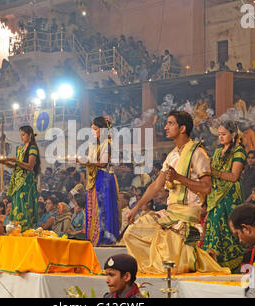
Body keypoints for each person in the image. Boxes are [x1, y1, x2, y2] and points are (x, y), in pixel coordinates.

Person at [123, 111, 229, 275]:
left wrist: (179, 177)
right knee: (132, 233)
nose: (165, 127)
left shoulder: (197, 153)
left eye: (170, 123)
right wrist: (135, 209)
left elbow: (206, 188)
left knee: (168, 265)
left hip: (187, 215)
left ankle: (200, 260)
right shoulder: (172, 155)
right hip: (170, 213)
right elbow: (155, 186)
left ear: (182, 128)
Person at [203, 120, 247, 273]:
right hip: (215, 196)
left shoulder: (238, 151)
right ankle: (214, 265)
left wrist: (215, 173)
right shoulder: (216, 152)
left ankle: (231, 267)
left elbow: (234, 176)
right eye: (219, 134)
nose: (220, 137)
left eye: (224, 134)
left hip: (230, 197)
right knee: (214, 228)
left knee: (229, 230)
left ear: (233, 135)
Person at [78, 117, 120, 246]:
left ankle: (103, 237)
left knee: (103, 207)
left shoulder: (107, 143)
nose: (92, 132)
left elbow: (102, 163)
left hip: (105, 177)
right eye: (92, 129)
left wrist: (86, 161)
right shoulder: (94, 144)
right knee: (94, 206)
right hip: (95, 178)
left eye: (95, 129)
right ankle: (92, 235)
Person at [1, 126, 40, 231]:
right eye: (21, 135)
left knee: (25, 203)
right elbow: (17, 166)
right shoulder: (20, 149)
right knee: (17, 202)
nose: (21, 137)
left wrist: (16, 160)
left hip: (26, 180)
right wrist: (6, 163)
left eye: (23, 135)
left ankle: (25, 228)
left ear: (30, 135)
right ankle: (16, 228)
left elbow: (30, 166)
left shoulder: (32, 148)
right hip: (17, 179)